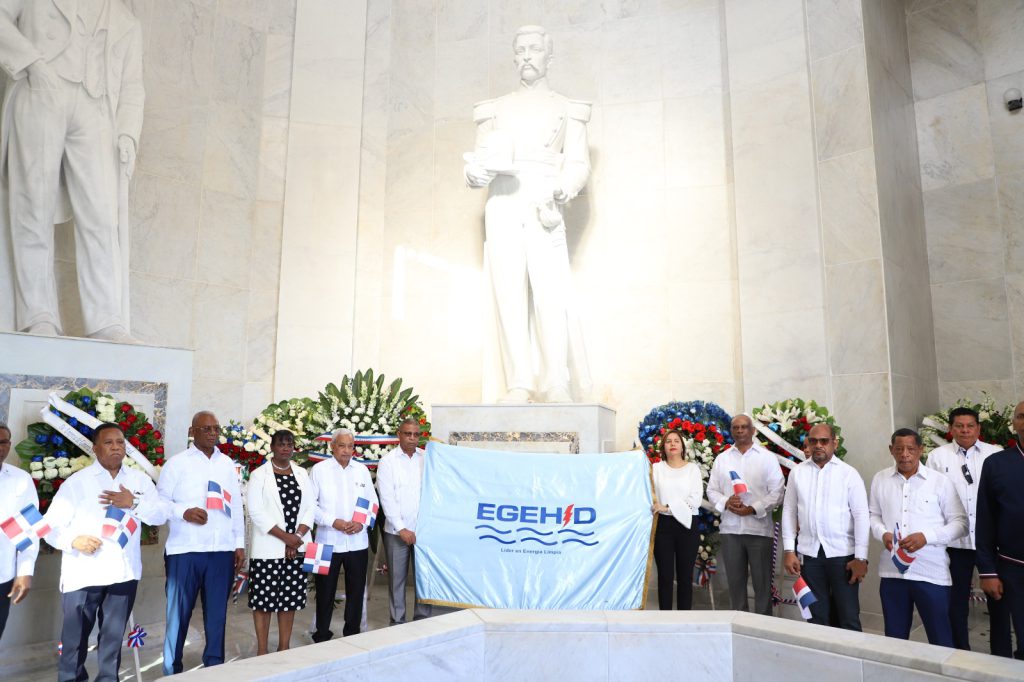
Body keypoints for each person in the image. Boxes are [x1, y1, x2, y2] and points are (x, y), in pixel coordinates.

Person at [0, 0, 144, 341]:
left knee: (103, 216)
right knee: (32, 205)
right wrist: (32, 63)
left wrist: (127, 132)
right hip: (41, 91)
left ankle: (107, 319)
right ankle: (39, 314)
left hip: (97, 108)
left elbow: (133, 84)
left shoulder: (126, 21)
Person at [464, 25, 592, 403]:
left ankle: (556, 381)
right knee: (508, 293)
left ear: (549, 56)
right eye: (520, 50)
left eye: (534, 49)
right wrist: (474, 172)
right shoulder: (493, 110)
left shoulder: (568, 108)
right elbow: (478, 161)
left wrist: (565, 187)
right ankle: (519, 381)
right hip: (502, 200)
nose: (526, 56)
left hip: (543, 200)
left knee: (549, 294)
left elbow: (579, 162)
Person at [43, 422, 166, 682]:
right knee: (74, 641)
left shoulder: (138, 480)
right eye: (109, 442)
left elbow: (159, 516)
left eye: (120, 442)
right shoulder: (77, 483)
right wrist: (73, 540)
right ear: (95, 448)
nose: (116, 448)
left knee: (111, 641)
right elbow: (48, 528)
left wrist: (133, 502)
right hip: (84, 574)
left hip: (123, 573)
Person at [157, 411, 245, 675]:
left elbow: (236, 505)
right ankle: (172, 670)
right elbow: (160, 503)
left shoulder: (227, 463)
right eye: (206, 428)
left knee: (217, 615)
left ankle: (214, 667)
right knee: (178, 616)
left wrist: (238, 543)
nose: (212, 433)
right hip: (185, 550)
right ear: (192, 430)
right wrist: (183, 511)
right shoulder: (176, 463)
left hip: (220, 550)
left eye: (216, 428)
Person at [869, 428, 968, 647]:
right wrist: (882, 533)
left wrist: (927, 537)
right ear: (891, 450)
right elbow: (872, 515)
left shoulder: (939, 481)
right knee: (895, 640)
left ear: (920, 450)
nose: (905, 454)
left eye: (911, 449)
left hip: (931, 573)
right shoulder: (880, 479)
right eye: (899, 449)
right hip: (892, 572)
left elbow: (960, 523)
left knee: (940, 638)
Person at [925, 406, 1010, 653]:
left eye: (970, 425)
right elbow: (931, 498)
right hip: (955, 543)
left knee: (999, 600)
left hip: (992, 542)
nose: (965, 430)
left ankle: (1001, 654)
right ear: (951, 429)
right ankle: (960, 652)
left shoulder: (996, 454)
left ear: (978, 428)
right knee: (955, 602)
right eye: (959, 426)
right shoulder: (938, 457)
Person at [781, 423, 869, 630]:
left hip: (843, 556)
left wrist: (861, 557)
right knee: (816, 617)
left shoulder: (849, 474)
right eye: (813, 441)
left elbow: (861, 516)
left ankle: (851, 661)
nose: (818, 445)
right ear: (808, 444)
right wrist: (788, 550)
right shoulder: (797, 473)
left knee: (848, 616)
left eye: (824, 441)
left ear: (834, 444)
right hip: (809, 556)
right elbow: (789, 511)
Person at [706, 414, 785, 615]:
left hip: (759, 531)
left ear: (753, 431)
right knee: (736, 586)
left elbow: (777, 492)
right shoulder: (722, 459)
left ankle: (764, 630)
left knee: (762, 587)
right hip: (730, 531)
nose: (740, 430)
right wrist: (726, 502)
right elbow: (711, 490)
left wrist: (753, 508)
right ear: (731, 431)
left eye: (744, 427)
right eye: (735, 427)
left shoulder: (767, 458)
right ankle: (741, 629)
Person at [246, 429, 314, 655]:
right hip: (268, 547)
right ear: (272, 447)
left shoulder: (302, 474)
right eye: (281, 444)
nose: (286, 448)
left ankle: (284, 646)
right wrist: (287, 539)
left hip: (297, 545)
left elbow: (310, 508)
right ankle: (262, 650)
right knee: (263, 601)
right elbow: (255, 511)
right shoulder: (259, 475)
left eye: (290, 444)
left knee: (289, 599)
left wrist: (297, 538)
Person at [309, 428, 378, 640]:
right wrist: (334, 522)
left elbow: (373, 502)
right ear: (332, 446)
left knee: (356, 592)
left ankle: (352, 634)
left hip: (357, 542)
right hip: (324, 541)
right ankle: (321, 634)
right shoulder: (318, 470)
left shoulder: (362, 470)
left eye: (350, 446)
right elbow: (309, 506)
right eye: (342, 445)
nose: (347, 451)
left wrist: (361, 522)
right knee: (323, 592)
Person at [977, 399, 1024, 659]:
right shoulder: (996, 464)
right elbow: (985, 521)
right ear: (1014, 423)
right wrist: (987, 571)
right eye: (1022, 416)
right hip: (1012, 567)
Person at [376, 417, 430, 624]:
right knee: (396, 580)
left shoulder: (426, 458)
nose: (412, 438)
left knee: (424, 579)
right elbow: (386, 499)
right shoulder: (387, 461)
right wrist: (401, 528)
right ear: (399, 435)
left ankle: (423, 620)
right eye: (408, 434)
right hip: (396, 532)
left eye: (416, 434)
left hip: (423, 532)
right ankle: (397, 622)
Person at [651, 429, 704, 610]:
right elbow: (648, 494)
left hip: (687, 525)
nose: (672, 444)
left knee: (684, 576)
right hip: (662, 526)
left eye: (676, 441)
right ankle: (664, 618)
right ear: (663, 447)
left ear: (682, 446)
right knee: (665, 576)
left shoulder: (692, 469)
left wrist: (667, 508)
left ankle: (684, 619)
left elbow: (695, 500)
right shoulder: (656, 469)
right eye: (668, 441)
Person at [0, 423, 38, 642]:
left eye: (3, 442)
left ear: (9, 445)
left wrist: (25, 570)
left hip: (2, 574)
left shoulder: (20, 480)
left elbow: (28, 530)